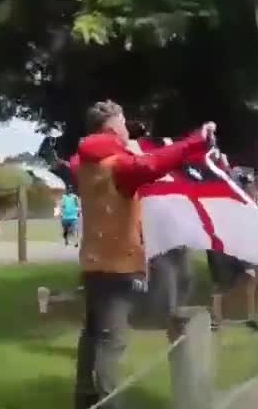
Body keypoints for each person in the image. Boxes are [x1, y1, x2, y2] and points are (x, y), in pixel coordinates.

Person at [71, 99, 216, 409]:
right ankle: (107, 404)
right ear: (111, 127)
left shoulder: (83, 163)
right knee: (112, 343)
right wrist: (196, 142)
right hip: (119, 266)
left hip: (93, 263)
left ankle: (83, 401)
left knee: (92, 335)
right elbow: (152, 165)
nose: (127, 129)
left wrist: (126, 142)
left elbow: (120, 156)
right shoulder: (118, 166)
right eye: (123, 124)